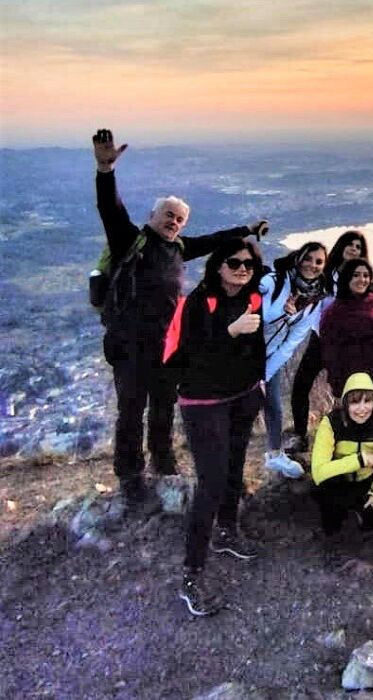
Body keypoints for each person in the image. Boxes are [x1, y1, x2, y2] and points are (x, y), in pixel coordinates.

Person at [92, 129, 267, 514]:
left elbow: (214, 240)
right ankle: (130, 476)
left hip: (165, 344)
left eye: (180, 219)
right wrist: (106, 171)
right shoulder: (130, 241)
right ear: (153, 216)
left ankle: (162, 459)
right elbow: (111, 210)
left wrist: (248, 232)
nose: (174, 222)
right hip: (129, 344)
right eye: (168, 215)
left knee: (163, 406)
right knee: (131, 411)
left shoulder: (179, 247)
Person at [162, 238, 266, 617]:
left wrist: (258, 384)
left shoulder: (252, 299)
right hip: (203, 402)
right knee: (211, 481)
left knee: (235, 468)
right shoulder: (199, 302)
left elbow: (257, 349)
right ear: (218, 266)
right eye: (234, 262)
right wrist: (229, 331)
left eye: (248, 265)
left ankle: (227, 531)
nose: (242, 269)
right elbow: (190, 353)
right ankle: (192, 572)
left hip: (242, 396)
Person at [287, 230, 368, 454]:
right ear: (341, 247)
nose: (354, 249)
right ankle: (300, 435)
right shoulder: (325, 274)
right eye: (350, 245)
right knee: (301, 384)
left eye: (358, 247)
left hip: (345, 344)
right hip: (320, 338)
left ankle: (347, 437)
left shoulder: (361, 277)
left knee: (344, 390)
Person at [259, 242, 331, 478]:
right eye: (308, 258)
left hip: (272, 358)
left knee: (273, 406)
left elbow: (292, 342)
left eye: (319, 261)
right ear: (298, 258)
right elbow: (261, 318)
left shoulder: (314, 299)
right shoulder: (274, 282)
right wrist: (283, 313)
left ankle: (275, 455)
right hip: (242, 353)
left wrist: (265, 373)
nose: (312, 265)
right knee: (240, 408)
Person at [310, 372, 373, 541]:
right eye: (355, 402)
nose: (362, 408)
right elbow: (318, 472)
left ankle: (362, 511)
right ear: (345, 403)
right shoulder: (331, 423)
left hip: (367, 482)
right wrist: (361, 459)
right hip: (338, 482)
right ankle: (340, 514)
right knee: (331, 528)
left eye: (367, 401)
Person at [319, 258, 373, 407]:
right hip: (350, 375)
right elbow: (329, 352)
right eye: (356, 275)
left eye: (366, 275)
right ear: (347, 278)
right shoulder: (334, 311)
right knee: (355, 418)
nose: (362, 280)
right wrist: (337, 387)